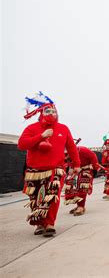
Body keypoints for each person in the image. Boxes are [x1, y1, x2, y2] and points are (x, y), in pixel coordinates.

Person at [19, 92, 81, 237]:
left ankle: (49, 223)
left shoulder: (63, 128)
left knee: (53, 197)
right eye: (48, 111)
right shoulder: (31, 128)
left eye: (54, 111)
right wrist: (41, 136)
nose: (52, 113)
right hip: (34, 170)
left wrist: (76, 164)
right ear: (41, 113)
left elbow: (71, 147)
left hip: (56, 169)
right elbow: (22, 144)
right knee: (36, 198)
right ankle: (39, 224)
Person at [64, 145, 99, 216]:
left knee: (82, 184)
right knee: (70, 183)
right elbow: (69, 162)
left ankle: (81, 206)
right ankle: (78, 204)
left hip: (86, 168)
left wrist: (95, 168)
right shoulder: (66, 154)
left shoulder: (83, 150)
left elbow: (93, 156)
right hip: (76, 168)